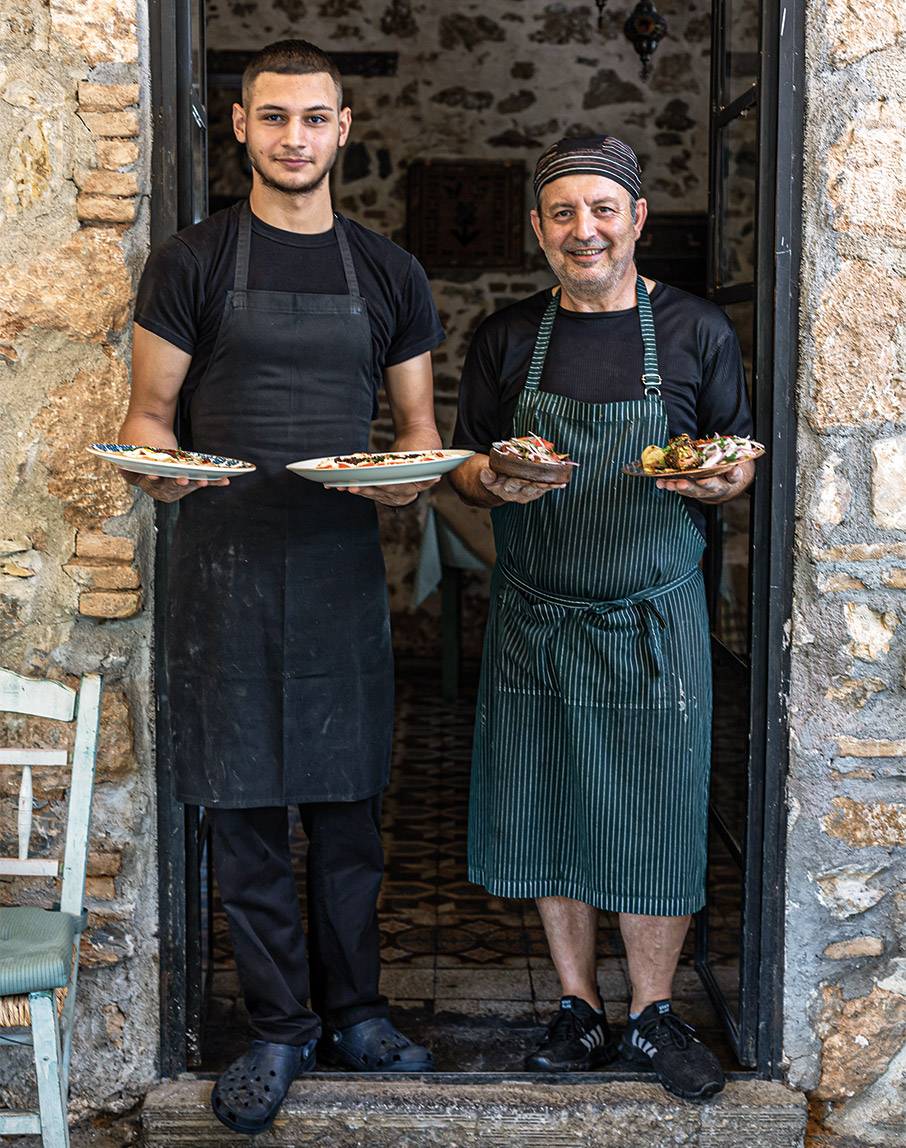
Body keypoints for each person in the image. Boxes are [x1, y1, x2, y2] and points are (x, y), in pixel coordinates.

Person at [118, 40, 443, 1136]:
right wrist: (158, 472)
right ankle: (276, 1024)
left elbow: (415, 436)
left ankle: (356, 1010)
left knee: (351, 809)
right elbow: (150, 420)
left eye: (314, 119)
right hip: (224, 561)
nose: (293, 138)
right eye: (273, 118)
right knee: (246, 807)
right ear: (241, 127)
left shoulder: (390, 273)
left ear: (343, 130)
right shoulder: (193, 261)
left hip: (342, 567)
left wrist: (404, 484)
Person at [449, 135, 755, 1102]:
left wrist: (716, 477)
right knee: (549, 801)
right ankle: (579, 1005)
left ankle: (653, 1013)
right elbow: (464, 463)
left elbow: (734, 458)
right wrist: (500, 476)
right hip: (537, 616)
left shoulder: (697, 330)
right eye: (564, 213)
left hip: (656, 619)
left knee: (659, 809)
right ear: (539, 229)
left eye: (603, 210)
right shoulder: (504, 338)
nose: (586, 230)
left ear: (636, 220)